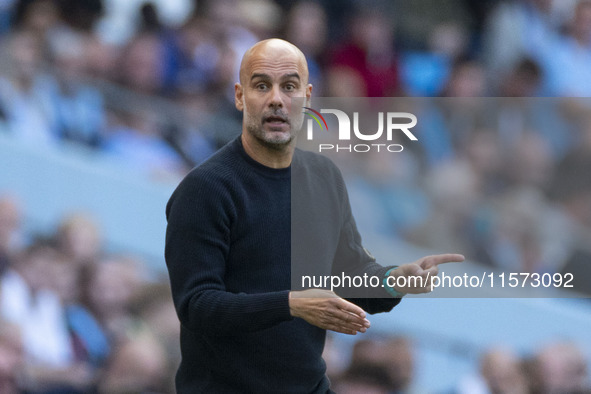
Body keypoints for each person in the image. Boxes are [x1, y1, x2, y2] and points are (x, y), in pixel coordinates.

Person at [164, 38, 464, 393]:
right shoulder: (206, 188)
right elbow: (198, 306)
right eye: (262, 85)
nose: (277, 98)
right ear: (240, 96)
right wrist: (292, 304)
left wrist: (393, 280)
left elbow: (349, 273)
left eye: (289, 86)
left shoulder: (324, 177)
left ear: (306, 97)